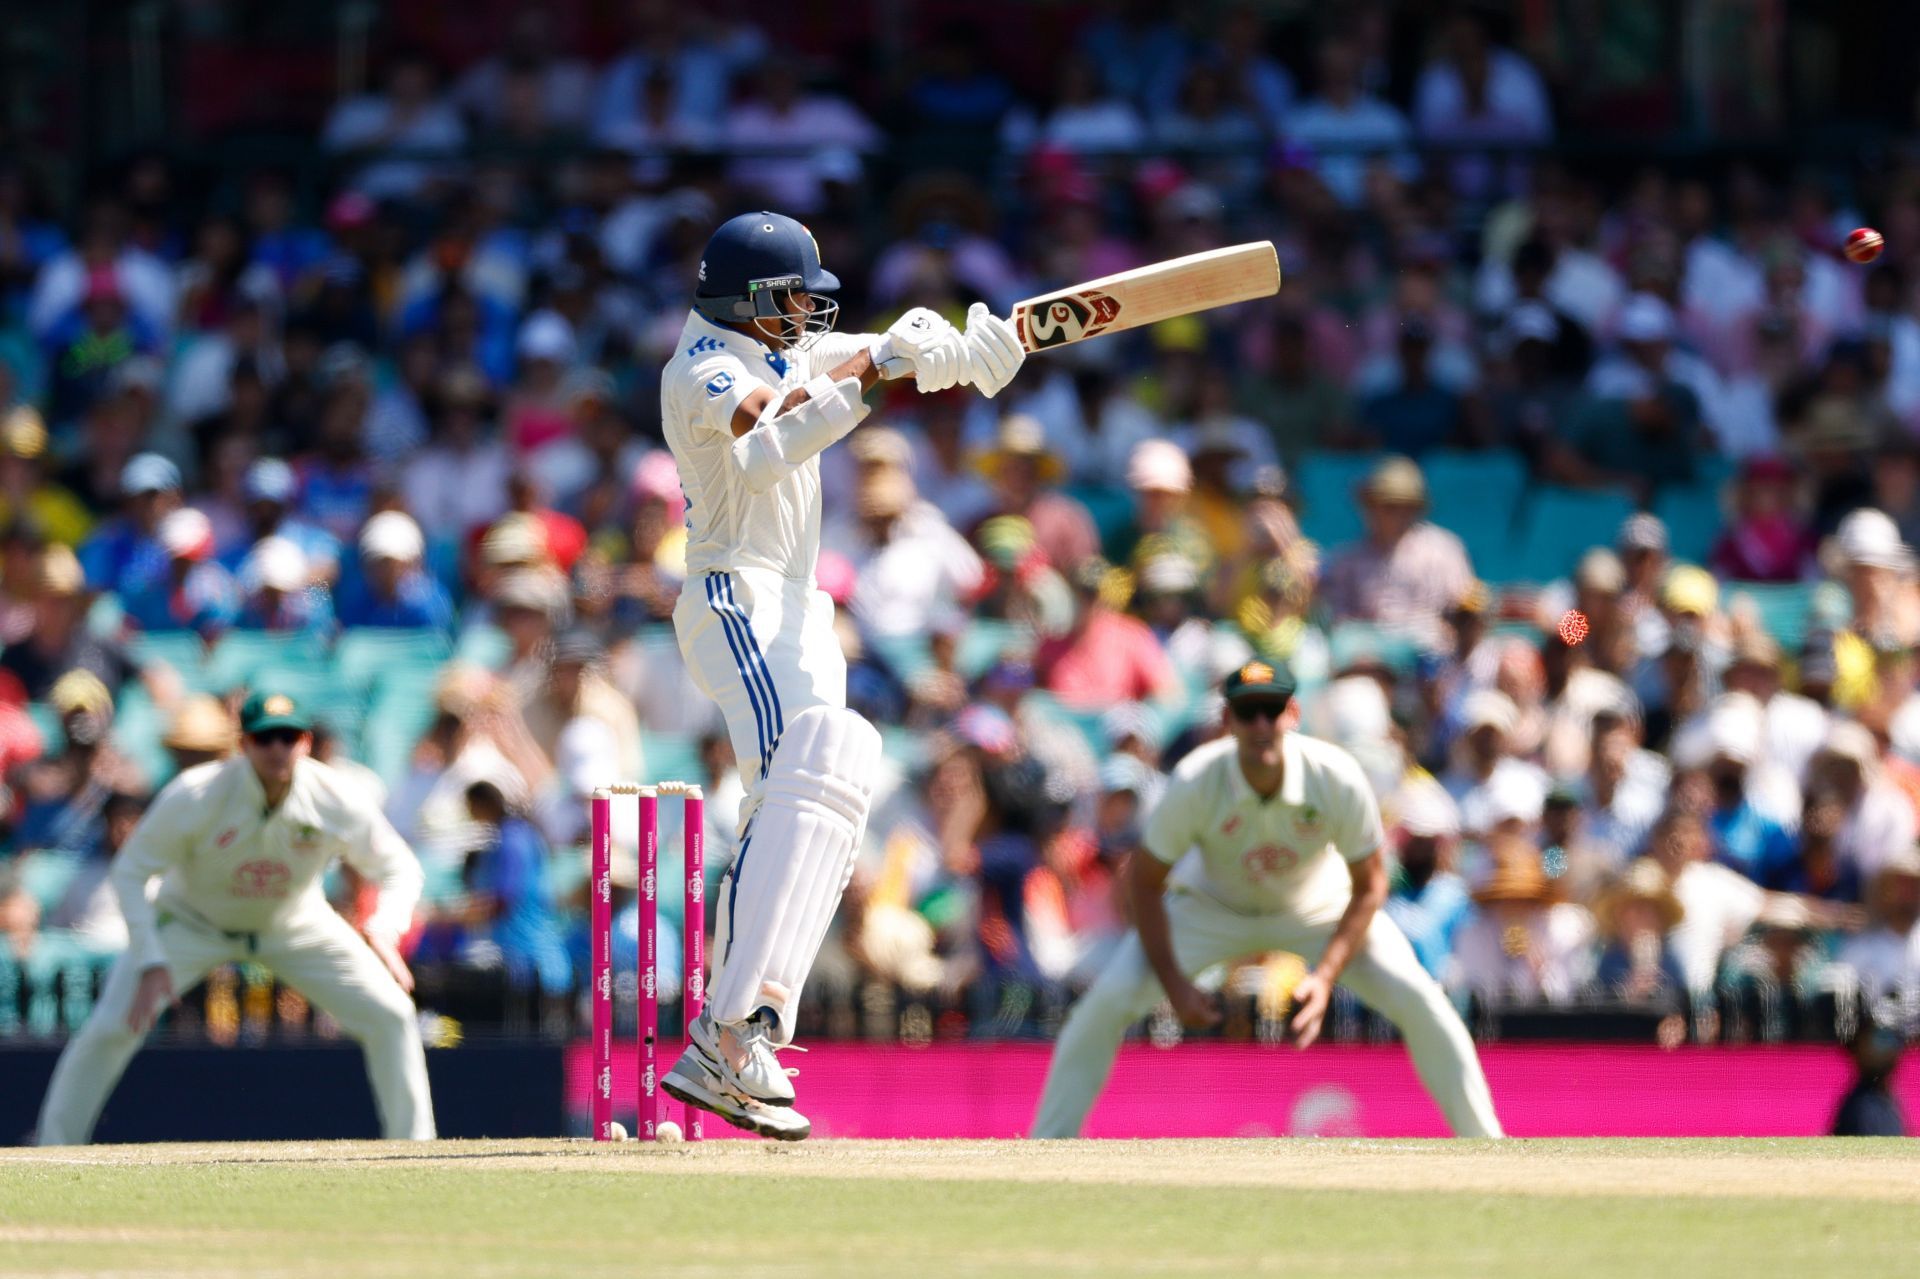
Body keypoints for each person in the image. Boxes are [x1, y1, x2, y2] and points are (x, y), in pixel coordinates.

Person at [655, 210, 1024, 1140]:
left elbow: (864, 352)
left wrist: (954, 346)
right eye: (786, 301)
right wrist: (882, 374)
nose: (802, 319)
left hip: (800, 603)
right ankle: (722, 1032)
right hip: (735, 591)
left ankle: (753, 1026)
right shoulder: (705, 366)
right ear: (740, 300)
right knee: (792, 784)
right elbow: (773, 437)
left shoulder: (775, 347)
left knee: (837, 773)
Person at [1029, 661, 1502, 1138]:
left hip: (1316, 904)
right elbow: (1146, 884)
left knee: (1421, 998)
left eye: (1271, 710)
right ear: (1228, 721)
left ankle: (1487, 1147)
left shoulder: (1335, 775)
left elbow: (1372, 885)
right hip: (1212, 906)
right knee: (1104, 1005)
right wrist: (1174, 985)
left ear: (1292, 713)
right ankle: (1046, 1149)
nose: (1260, 725)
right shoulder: (1196, 779)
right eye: (1247, 712)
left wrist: (1326, 974)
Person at [36, 688, 435, 1144]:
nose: (278, 749)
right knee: (109, 1028)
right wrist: (149, 958)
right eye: (265, 739)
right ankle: (52, 1149)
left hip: (293, 922)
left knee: (392, 1013)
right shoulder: (196, 794)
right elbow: (131, 872)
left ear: (305, 742)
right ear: (243, 744)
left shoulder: (334, 796)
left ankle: (415, 1148)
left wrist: (385, 926)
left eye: (288, 737)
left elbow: (400, 867)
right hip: (190, 924)